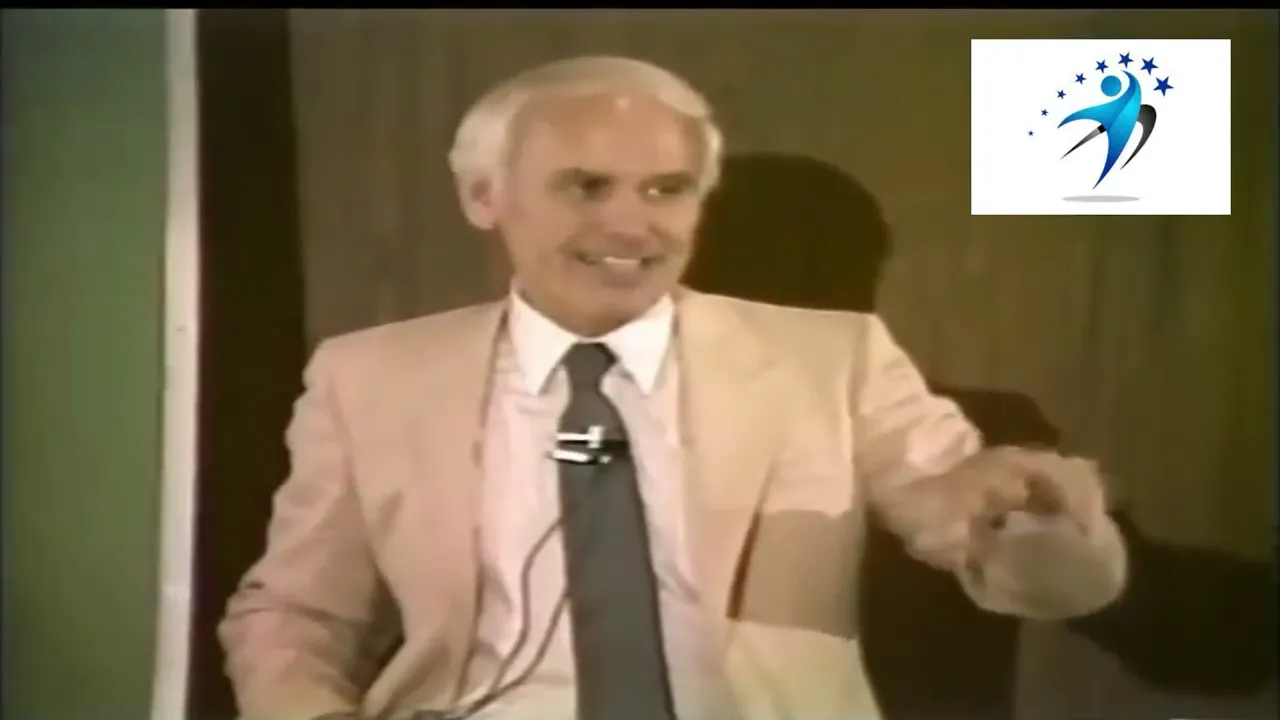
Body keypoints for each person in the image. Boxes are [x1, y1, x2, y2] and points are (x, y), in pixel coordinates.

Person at [219, 56, 1128, 720]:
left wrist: (1027, 523)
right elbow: (293, 614)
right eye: (586, 187)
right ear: (483, 196)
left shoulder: (834, 359)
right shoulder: (368, 376)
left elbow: (1004, 548)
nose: (630, 224)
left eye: (666, 190)